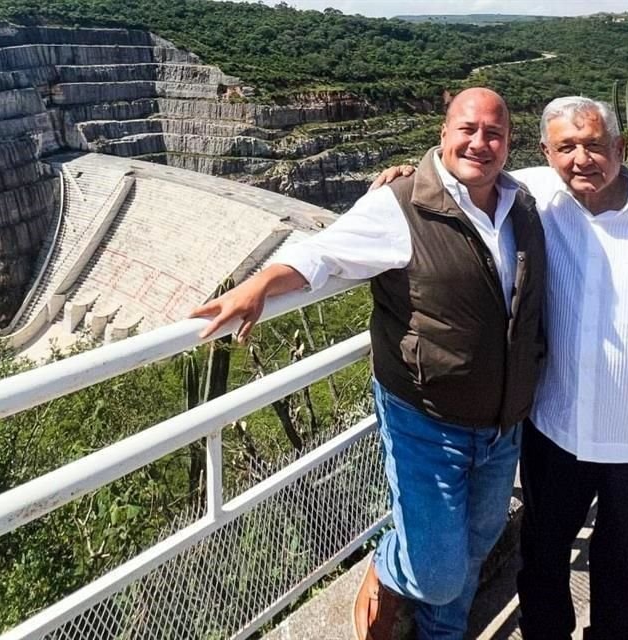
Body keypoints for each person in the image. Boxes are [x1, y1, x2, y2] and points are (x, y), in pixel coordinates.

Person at [372, 96, 628, 640]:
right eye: (566, 147)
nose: (581, 158)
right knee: (541, 561)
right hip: (554, 434)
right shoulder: (534, 199)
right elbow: (465, 169)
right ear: (546, 153)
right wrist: (406, 177)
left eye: (594, 144)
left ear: (621, 147)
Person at [190, 87, 547, 640]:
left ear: (509, 143)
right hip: (426, 418)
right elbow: (323, 252)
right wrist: (261, 282)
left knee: (480, 541)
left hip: (501, 424)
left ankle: (442, 635)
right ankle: (388, 563)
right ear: (443, 134)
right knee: (436, 570)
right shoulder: (399, 204)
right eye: (468, 130)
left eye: (494, 134)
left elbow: (583, 181)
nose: (480, 143)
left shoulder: (522, 201)